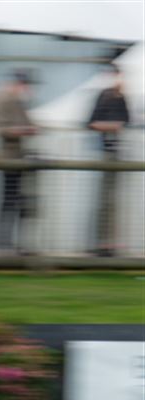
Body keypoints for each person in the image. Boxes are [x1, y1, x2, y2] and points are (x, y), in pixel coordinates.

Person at [87, 65, 130, 257]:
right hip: (106, 154)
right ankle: (102, 243)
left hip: (117, 154)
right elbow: (91, 123)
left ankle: (111, 243)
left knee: (114, 200)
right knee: (105, 200)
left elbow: (127, 122)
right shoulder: (103, 96)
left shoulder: (121, 98)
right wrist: (110, 126)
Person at [0, 70, 39, 254]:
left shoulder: (20, 103)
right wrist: (20, 130)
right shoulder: (5, 101)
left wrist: (29, 128)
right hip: (9, 159)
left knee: (17, 201)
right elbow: (0, 129)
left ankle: (13, 242)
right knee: (8, 201)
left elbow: (31, 125)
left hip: (19, 158)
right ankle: (3, 243)